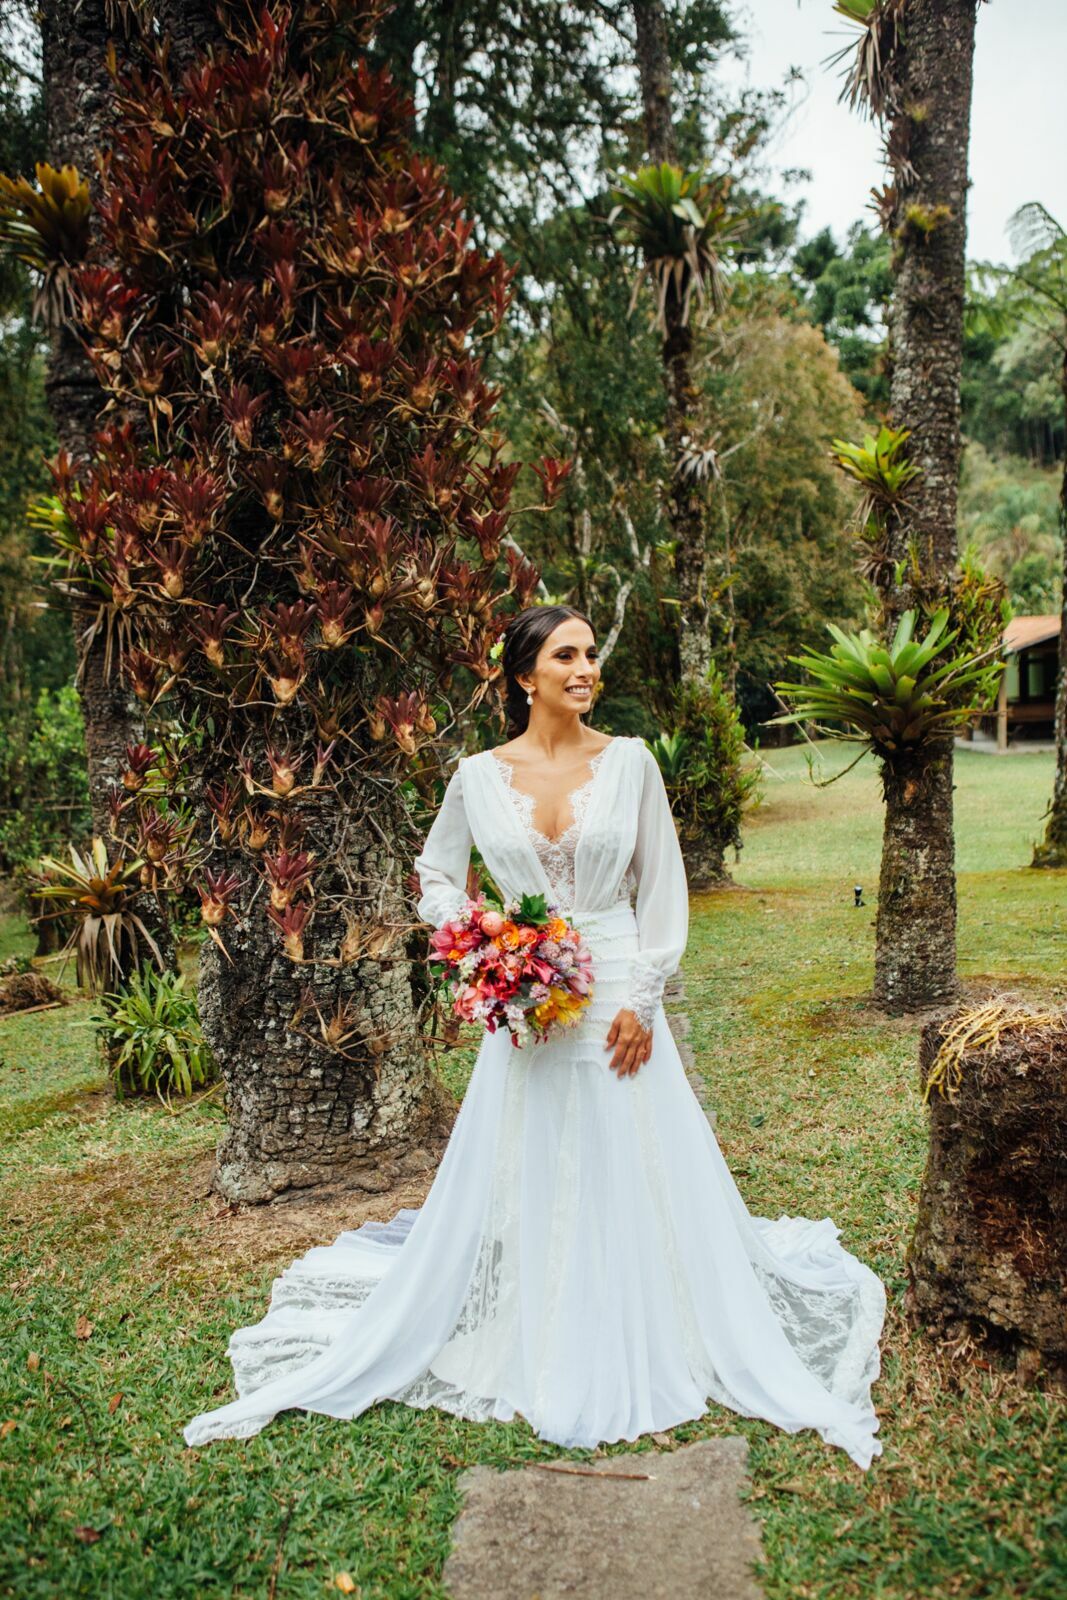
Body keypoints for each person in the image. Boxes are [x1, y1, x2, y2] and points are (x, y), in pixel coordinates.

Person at [183, 603, 886, 1469]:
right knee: (539, 1147)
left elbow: (659, 887)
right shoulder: (476, 777)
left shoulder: (629, 766)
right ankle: (544, 1312)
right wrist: (476, 936)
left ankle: (645, 1313)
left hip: (620, 987)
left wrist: (647, 999)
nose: (586, 667)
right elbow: (435, 869)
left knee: (631, 1147)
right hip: (521, 997)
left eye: (591, 653)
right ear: (524, 677)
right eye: (566, 655)